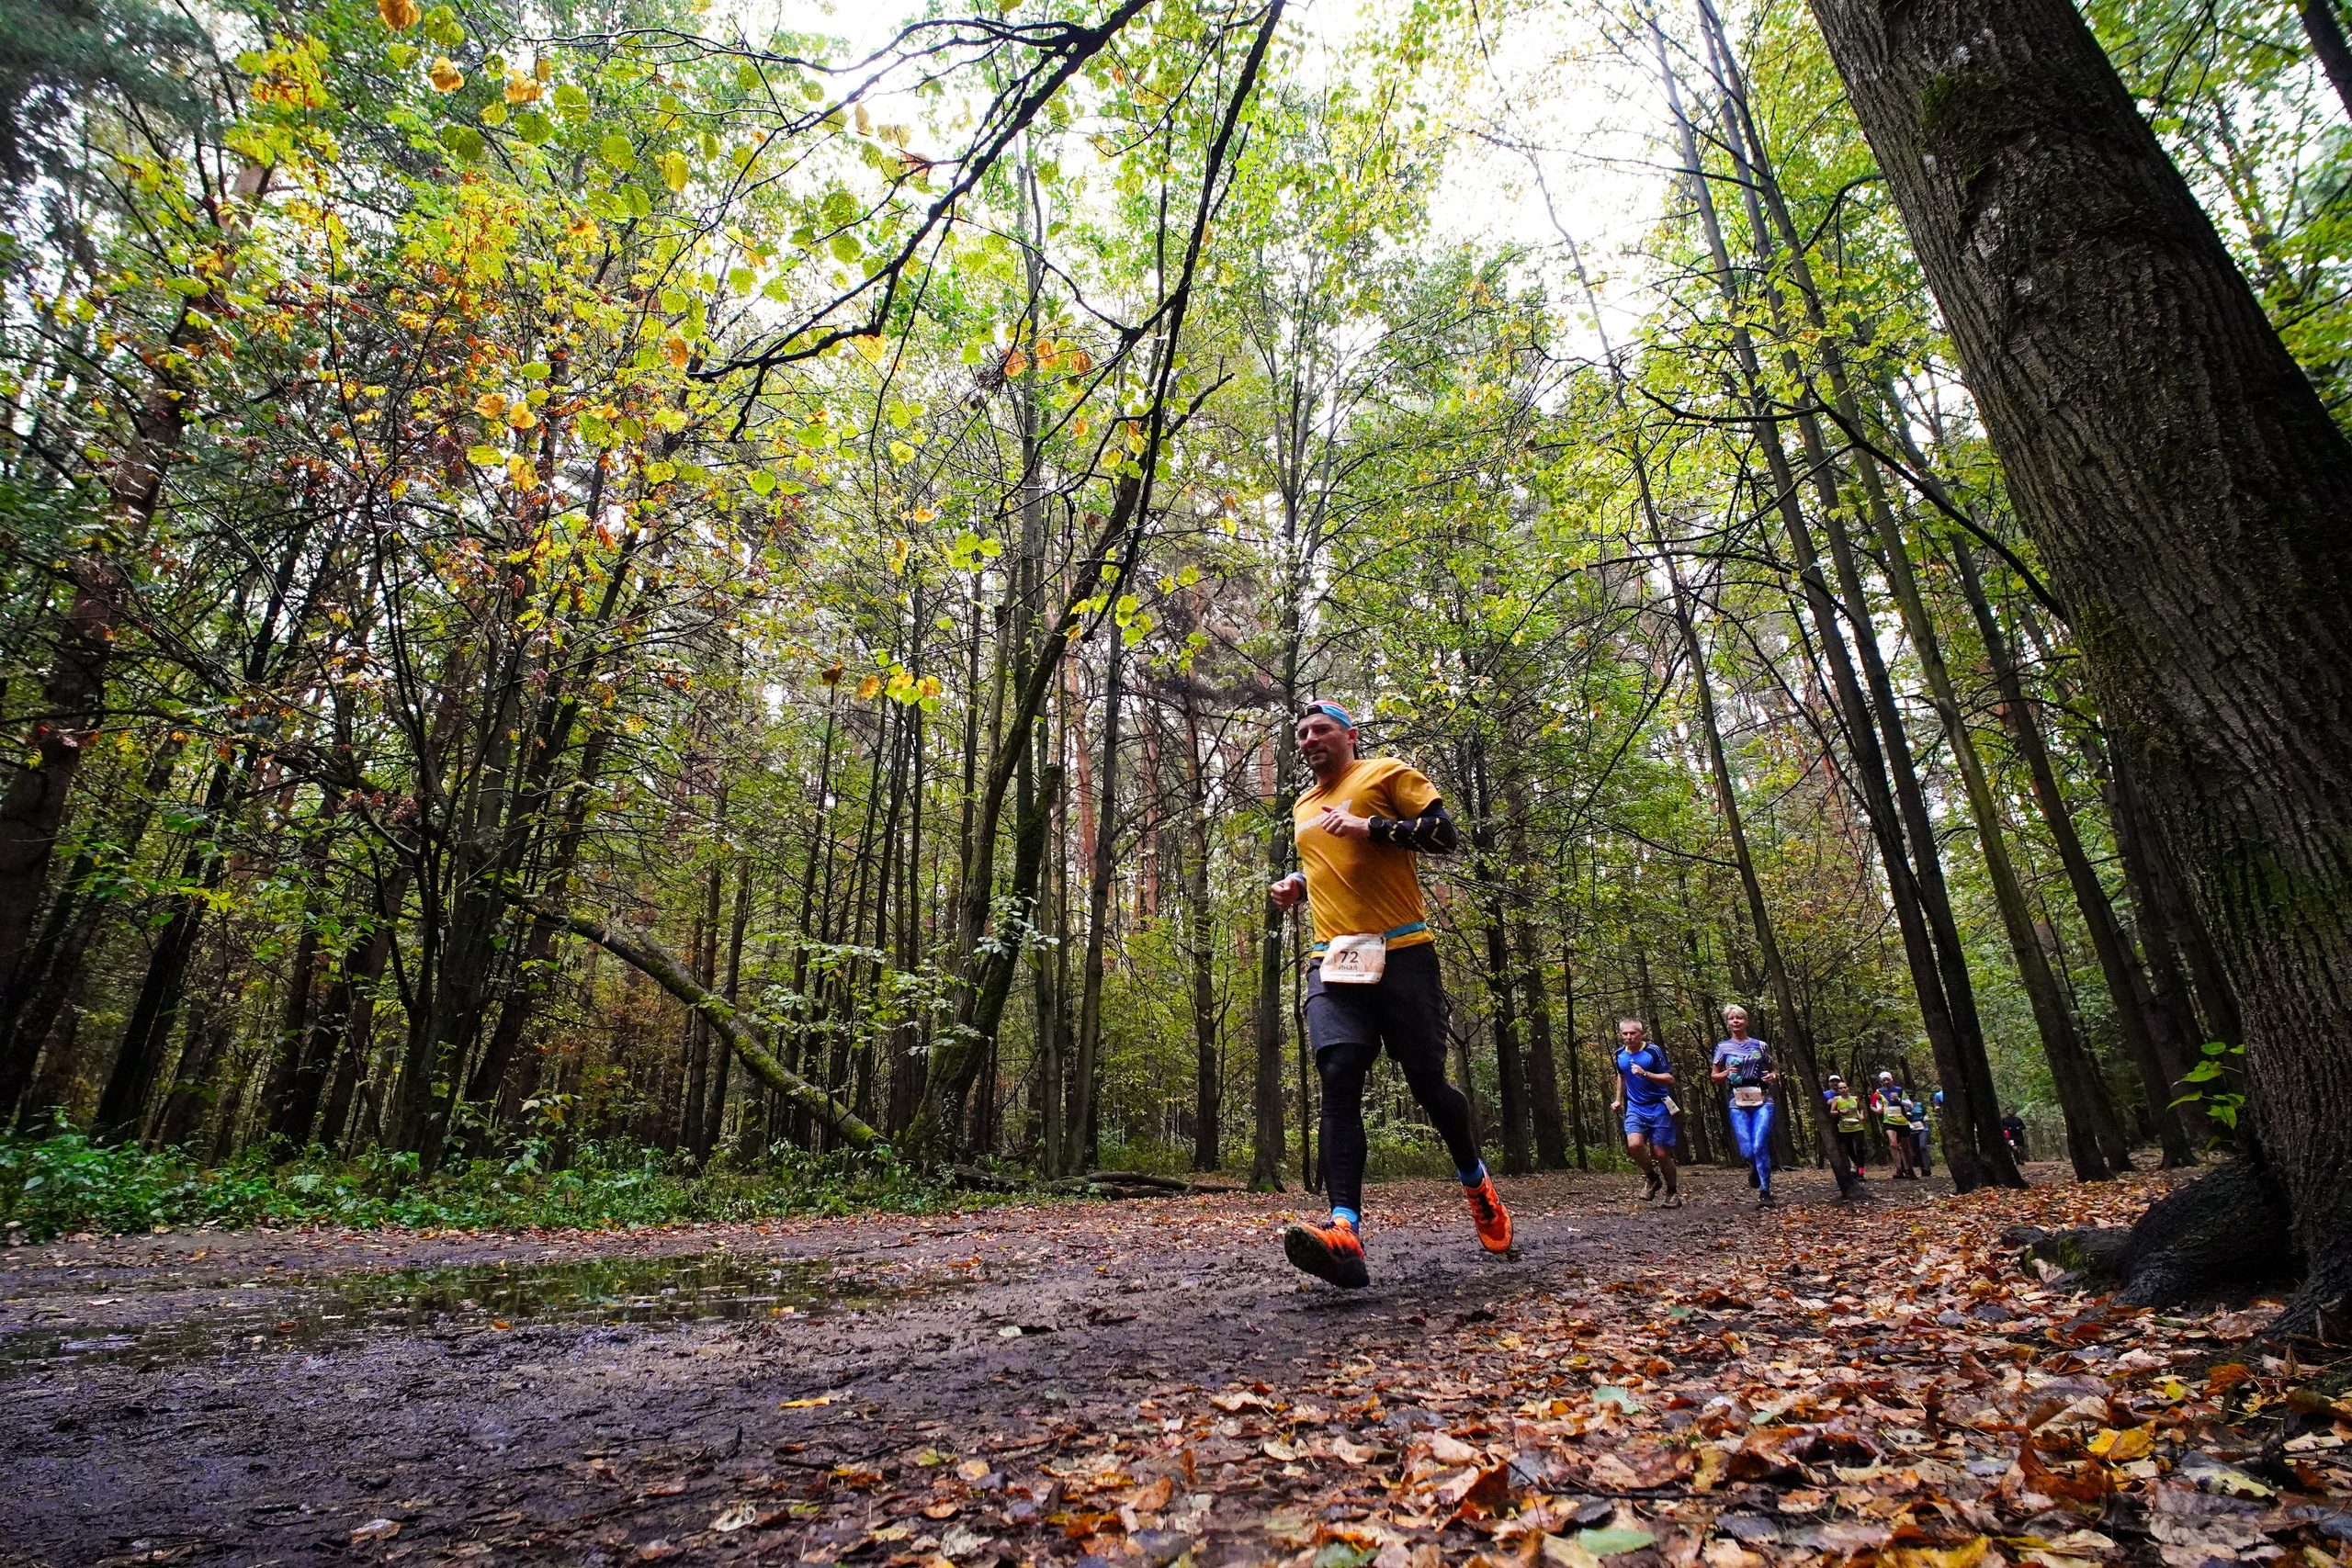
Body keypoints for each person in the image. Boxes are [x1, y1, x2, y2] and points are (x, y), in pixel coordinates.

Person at [1269, 701, 1512, 1289]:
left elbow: (1443, 836)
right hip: (1333, 960)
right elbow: (1330, 864)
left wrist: (1371, 826)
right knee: (1340, 1075)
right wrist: (1298, 885)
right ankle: (1344, 1231)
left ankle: (1477, 1183)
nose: (1308, 740)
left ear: (1350, 735)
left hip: (1402, 953)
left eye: (1320, 729)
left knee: (1430, 1086)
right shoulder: (1302, 805)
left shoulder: (1387, 774)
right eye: (1301, 734)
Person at [1709, 1004, 1779, 1207]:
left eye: (1739, 1018)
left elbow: (1771, 1070)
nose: (1736, 1021)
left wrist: (1772, 1076)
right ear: (1728, 1023)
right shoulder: (1722, 1048)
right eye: (1732, 1019)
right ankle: (1755, 1167)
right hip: (1737, 1099)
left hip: (1762, 1098)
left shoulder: (1760, 1046)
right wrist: (1726, 1073)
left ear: (1746, 1021)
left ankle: (1765, 1192)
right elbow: (1715, 1077)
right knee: (1748, 1151)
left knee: (1759, 1144)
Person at [1611, 1018, 1682, 1208]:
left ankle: (1672, 1192)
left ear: (1641, 1033)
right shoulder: (1619, 1053)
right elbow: (1621, 1075)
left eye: (1633, 1033)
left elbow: (1669, 1078)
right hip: (1635, 1107)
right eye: (1625, 1034)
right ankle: (1652, 1178)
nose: (1628, 1037)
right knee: (1634, 1145)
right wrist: (1618, 1099)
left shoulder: (1653, 1051)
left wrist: (1645, 1074)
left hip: (1659, 1106)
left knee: (1660, 1154)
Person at [1872, 1071, 1917, 1179]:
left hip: (1902, 1120)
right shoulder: (1878, 1092)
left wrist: (1898, 1099)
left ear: (1892, 1079)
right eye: (1884, 1080)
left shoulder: (1899, 1090)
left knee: (1905, 1147)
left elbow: (1910, 1105)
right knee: (1893, 1144)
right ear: (1881, 1081)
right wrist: (1878, 1110)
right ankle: (1899, 1169)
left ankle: (1910, 1169)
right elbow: (1873, 1104)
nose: (1886, 1082)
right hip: (1889, 1120)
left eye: (1888, 1079)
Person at [1826, 1076, 1868, 1175]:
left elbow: (1861, 1108)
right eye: (1841, 1088)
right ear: (1838, 1090)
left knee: (1860, 1148)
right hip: (1845, 1128)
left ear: (1848, 1088)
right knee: (1850, 1149)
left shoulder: (1855, 1098)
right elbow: (1832, 1112)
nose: (1843, 1089)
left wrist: (1861, 1115)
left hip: (1857, 1126)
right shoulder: (1836, 1099)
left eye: (1844, 1087)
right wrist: (1840, 1111)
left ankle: (1861, 1172)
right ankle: (1857, 1165)